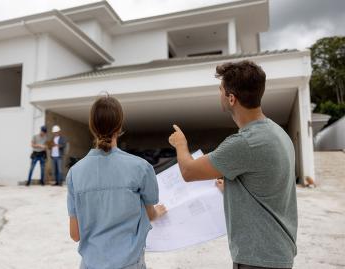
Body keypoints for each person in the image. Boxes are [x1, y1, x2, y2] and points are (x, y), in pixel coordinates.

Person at [168, 60, 297, 269]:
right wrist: (231, 187)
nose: (219, 94)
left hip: (257, 259)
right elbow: (269, 185)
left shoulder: (245, 142)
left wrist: (181, 144)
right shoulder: (276, 133)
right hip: (276, 252)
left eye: (220, 90)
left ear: (231, 98)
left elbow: (188, 171)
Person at [66, 95, 167, 269]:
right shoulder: (141, 167)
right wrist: (157, 212)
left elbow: (75, 234)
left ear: (92, 126)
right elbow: (150, 215)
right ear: (119, 126)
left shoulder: (75, 173)